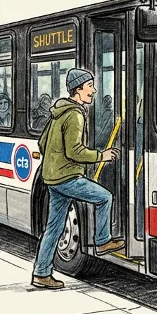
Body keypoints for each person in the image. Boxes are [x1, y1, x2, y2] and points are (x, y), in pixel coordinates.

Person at [32, 68, 122, 290]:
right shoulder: (75, 114)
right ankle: (102, 242)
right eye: (90, 86)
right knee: (104, 197)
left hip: (52, 177)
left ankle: (41, 273)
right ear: (78, 89)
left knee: (53, 227)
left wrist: (55, 160)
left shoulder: (58, 112)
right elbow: (75, 151)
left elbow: (42, 143)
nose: (93, 90)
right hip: (67, 176)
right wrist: (103, 155)